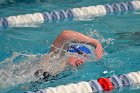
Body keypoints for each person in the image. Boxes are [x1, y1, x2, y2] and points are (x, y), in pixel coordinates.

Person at [34, 30, 103, 80]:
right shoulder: (54, 57)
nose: (81, 60)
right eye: (80, 54)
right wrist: (95, 42)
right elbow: (64, 35)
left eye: (85, 57)